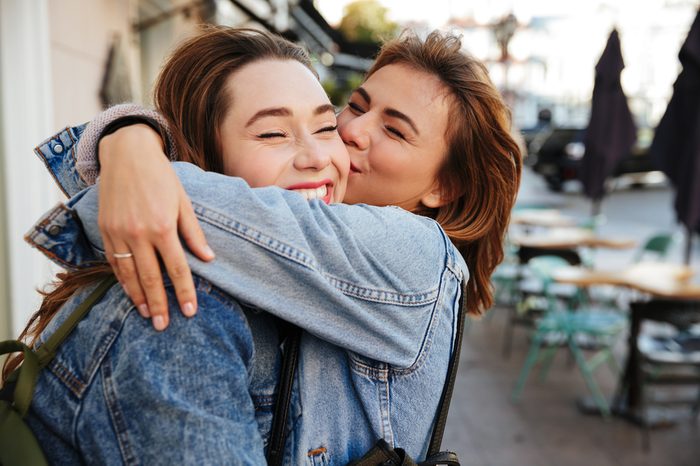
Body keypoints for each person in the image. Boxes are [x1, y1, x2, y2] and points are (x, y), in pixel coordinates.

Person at [12, 26, 521, 464]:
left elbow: (165, 199)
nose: (348, 135)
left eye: (394, 130)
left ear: (443, 189)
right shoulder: (192, 305)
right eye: (351, 110)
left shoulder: (416, 255)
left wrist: (126, 144)